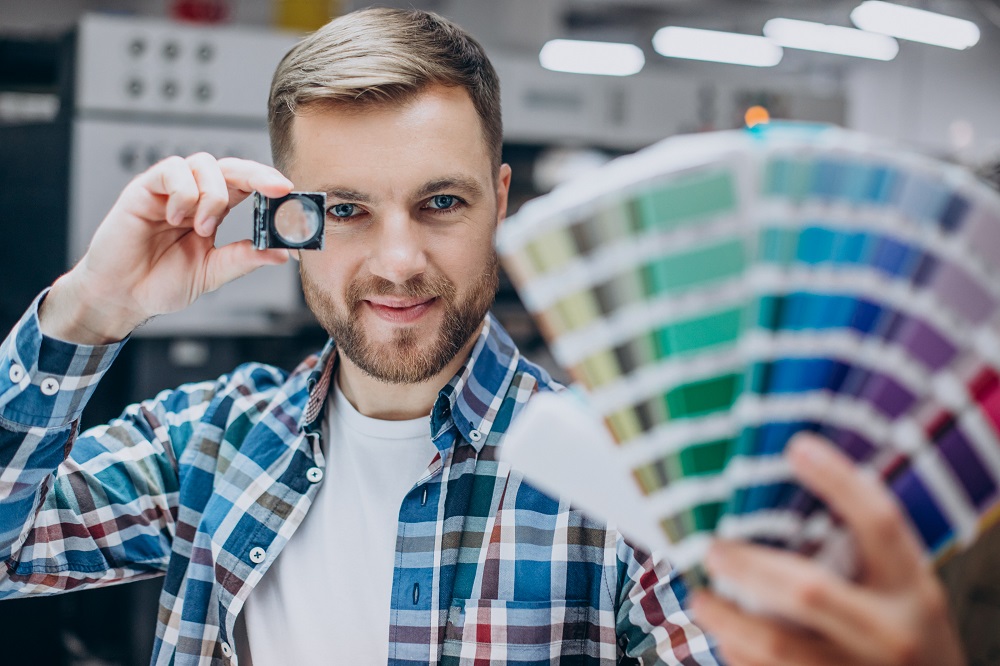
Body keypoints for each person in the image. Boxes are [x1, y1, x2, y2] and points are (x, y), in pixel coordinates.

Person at [0, 7, 967, 666]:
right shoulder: (208, 442)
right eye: (344, 211)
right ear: (285, 218)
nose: (398, 261)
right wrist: (93, 307)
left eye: (441, 203)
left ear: (499, 201)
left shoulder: (628, 480)